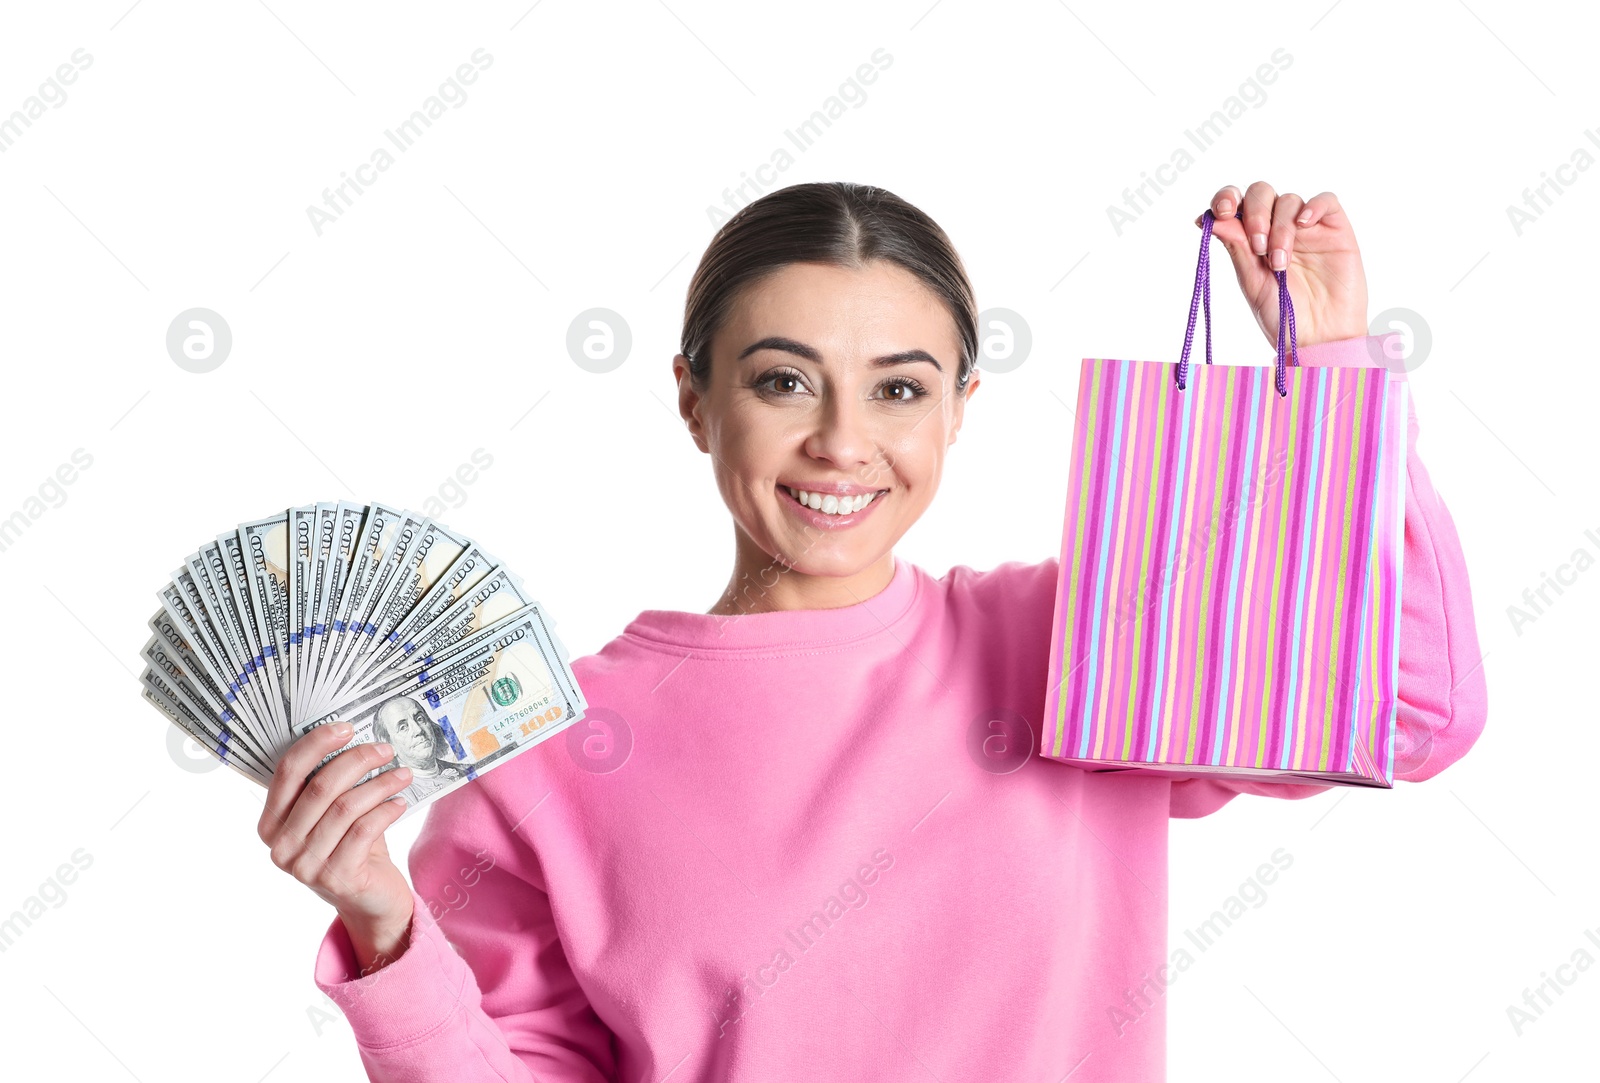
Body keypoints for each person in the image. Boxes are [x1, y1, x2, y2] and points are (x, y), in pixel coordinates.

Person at [256, 181, 1488, 1081]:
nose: (843, 444)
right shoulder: (543, 756)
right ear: (694, 398)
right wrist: (384, 925)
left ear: (959, 411)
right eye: (782, 380)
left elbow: (1411, 714)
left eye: (899, 389)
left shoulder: (1075, 642)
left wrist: (1327, 370)